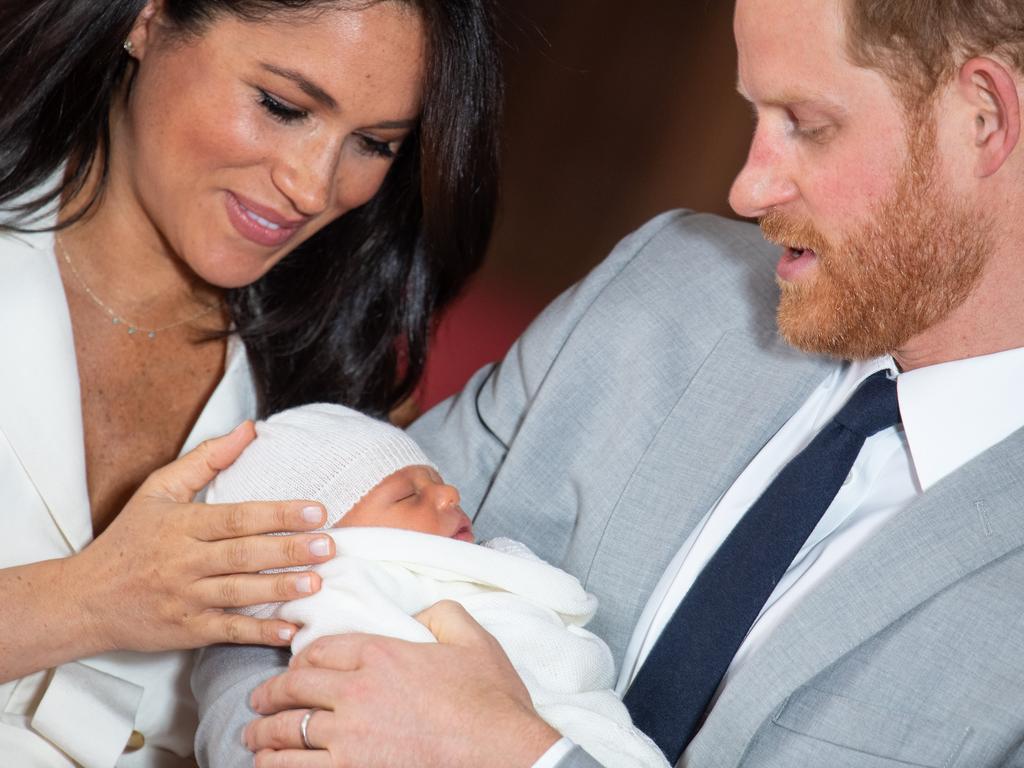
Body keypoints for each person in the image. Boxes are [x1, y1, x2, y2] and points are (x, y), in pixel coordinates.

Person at [194, 0, 1024, 766]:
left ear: (983, 119)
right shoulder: (667, 280)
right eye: (755, 115)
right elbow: (288, 592)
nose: (748, 189)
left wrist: (520, 758)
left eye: (807, 124)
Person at [0, 0, 501, 764]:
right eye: (283, 106)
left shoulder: (343, 390)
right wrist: (84, 602)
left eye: (374, 143)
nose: (313, 185)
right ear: (147, 19)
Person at [200, 402, 668, 768]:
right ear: (328, 545)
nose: (450, 494)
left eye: (439, 481)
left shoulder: (471, 568)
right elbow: (381, 690)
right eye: (409, 495)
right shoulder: (343, 584)